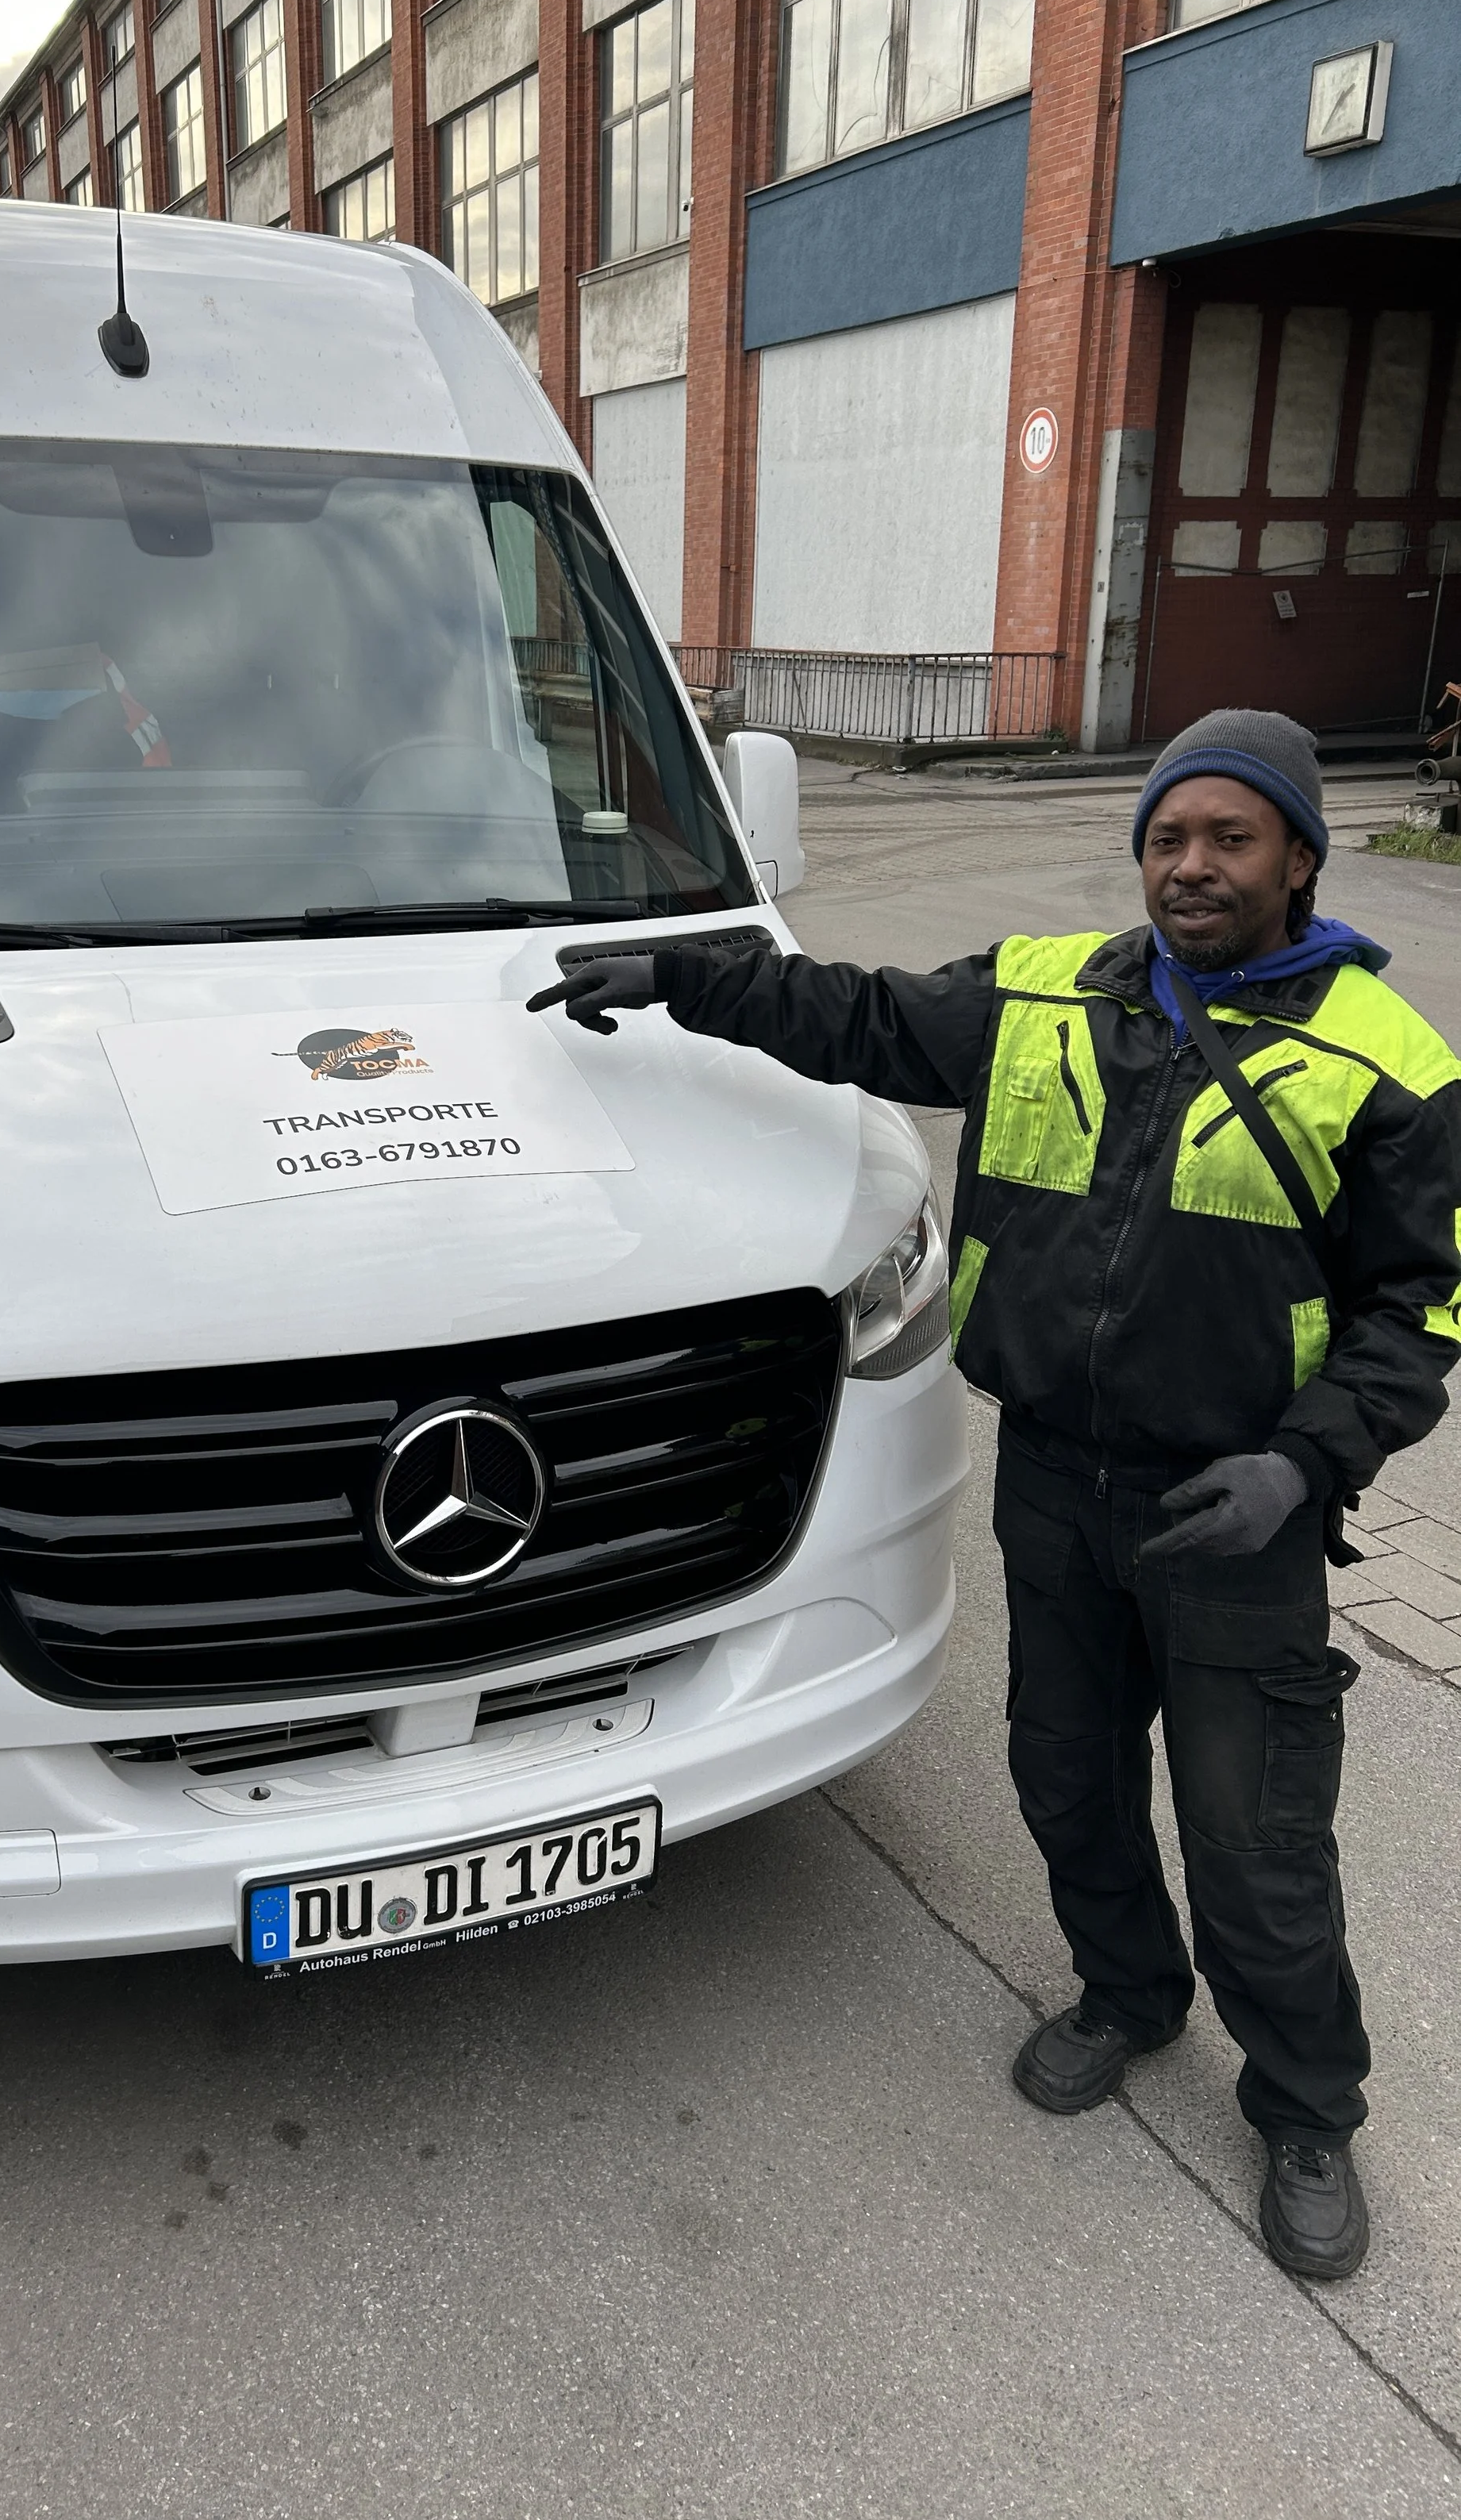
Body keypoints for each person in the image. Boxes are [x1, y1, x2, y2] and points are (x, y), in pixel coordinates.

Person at [530, 708, 1461, 2281]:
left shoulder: (1391, 1064)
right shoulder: (1041, 995)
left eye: (1228, 838)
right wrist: (680, 974)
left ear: (1299, 860)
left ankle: (1305, 2106)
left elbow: (1423, 1303)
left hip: (1236, 1517)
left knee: (1253, 1839)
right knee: (1065, 1775)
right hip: (1053, 1481)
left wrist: (1306, 1462)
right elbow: (850, 1013)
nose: (1190, 865)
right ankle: (1128, 1992)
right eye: (1166, 837)